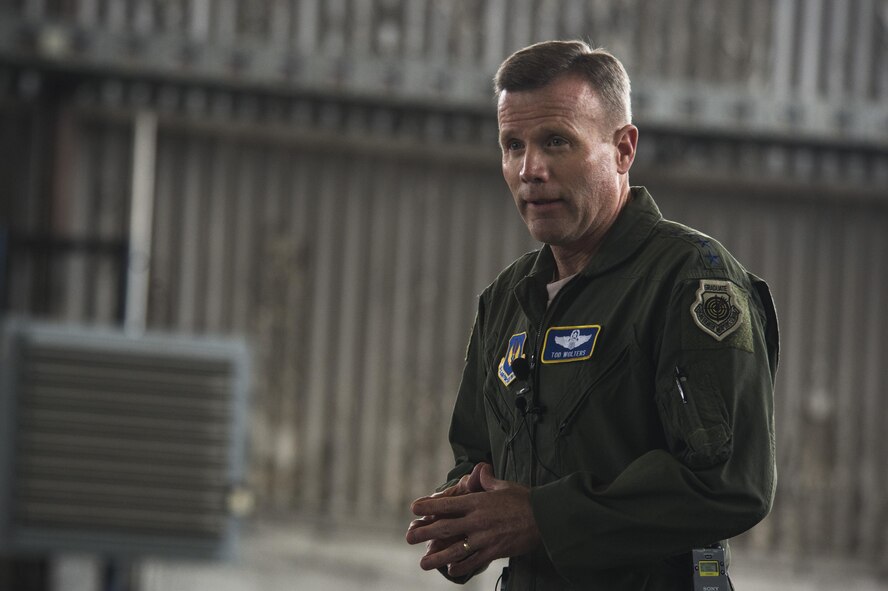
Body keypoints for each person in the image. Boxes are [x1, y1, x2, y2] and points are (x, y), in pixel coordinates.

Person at [405, 40, 778, 590]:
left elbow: (728, 482)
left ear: (623, 149)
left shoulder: (691, 281)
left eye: (556, 141)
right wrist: (469, 513)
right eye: (513, 145)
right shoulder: (507, 298)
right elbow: (476, 450)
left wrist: (540, 518)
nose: (530, 169)